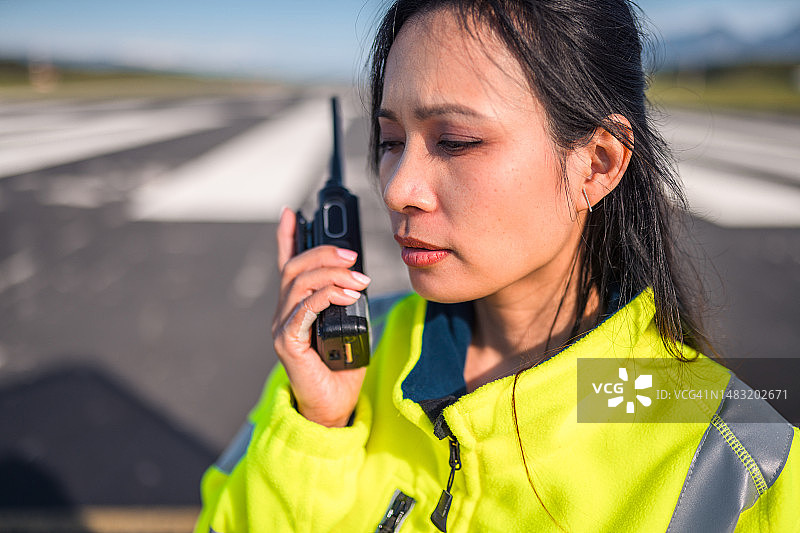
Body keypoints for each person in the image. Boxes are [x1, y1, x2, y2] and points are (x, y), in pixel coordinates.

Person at [195, 1, 799, 531]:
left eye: (455, 141)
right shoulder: (339, 357)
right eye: (389, 141)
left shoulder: (739, 461)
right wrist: (318, 429)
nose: (399, 187)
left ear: (597, 163)